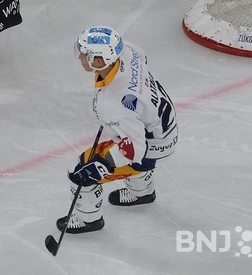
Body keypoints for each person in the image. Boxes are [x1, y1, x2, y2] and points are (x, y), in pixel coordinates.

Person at [56, 26, 179, 233]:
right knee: (127, 142)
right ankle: (142, 192)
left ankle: (89, 219)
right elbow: (142, 60)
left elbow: (135, 151)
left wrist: (101, 164)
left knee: (79, 171)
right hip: (162, 128)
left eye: (85, 54)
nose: (79, 57)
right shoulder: (128, 52)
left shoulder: (114, 104)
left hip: (149, 144)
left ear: (99, 61)